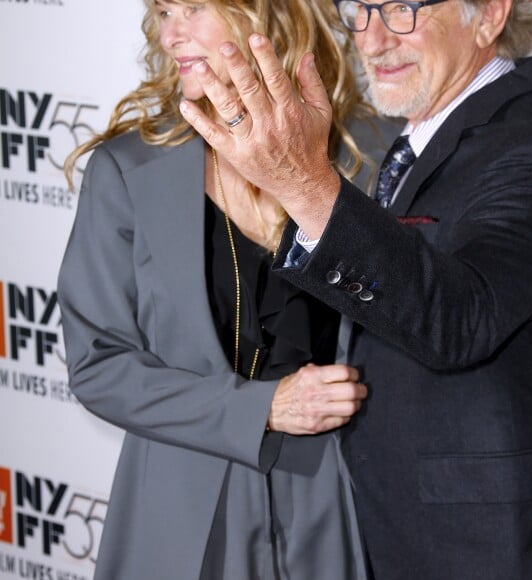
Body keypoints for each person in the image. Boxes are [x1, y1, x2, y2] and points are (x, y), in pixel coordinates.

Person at [178, 0, 532, 577]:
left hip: (495, 551)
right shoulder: (426, 131)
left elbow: (458, 318)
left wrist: (306, 183)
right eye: (359, 10)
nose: (371, 40)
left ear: (489, 14)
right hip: (406, 534)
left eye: (401, 9)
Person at [57, 1, 401, 579]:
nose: (171, 34)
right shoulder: (128, 168)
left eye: (194, 8)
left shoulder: (374, 153)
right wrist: (260, 409)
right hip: (185, 508)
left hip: (345, 501)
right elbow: (99, 367)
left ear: (267, 15)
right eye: (165, 11)